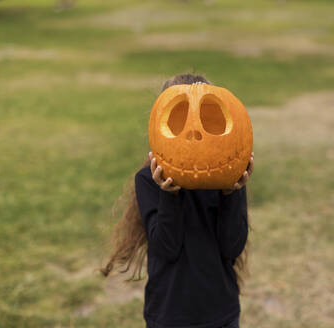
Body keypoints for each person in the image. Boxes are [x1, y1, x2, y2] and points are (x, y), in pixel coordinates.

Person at [101, 73, 254, 328]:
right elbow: (166, 247)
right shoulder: (148, 180)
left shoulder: (227, 178)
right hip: (170, 315)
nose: (194, 133)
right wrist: (168, 195)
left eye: (207, 118)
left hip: (221, 312)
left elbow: (232, 247)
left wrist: (232, 194)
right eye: (179, 119)